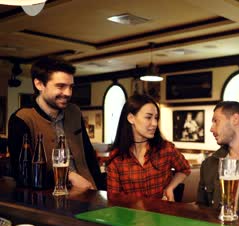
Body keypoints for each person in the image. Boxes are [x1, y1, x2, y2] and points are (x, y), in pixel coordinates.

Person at [8, 57, 103, 190]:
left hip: (89, 192)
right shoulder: (22, 118)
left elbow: (88, 155)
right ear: (39, 84)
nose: (68, 93)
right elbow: (22, 172)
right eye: (60, 86)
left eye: (70, 87)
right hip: (48, 198)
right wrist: (68, 176)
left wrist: (100, 189)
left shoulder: (74, 111)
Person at [106, 94, 190, 200]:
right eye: (148, 117)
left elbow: (185, 169)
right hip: (132, 215)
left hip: (162, 214)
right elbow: (114, 201)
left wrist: (170, 188)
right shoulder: (116, 159)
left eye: (156, 118)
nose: (154, 123)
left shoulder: (165, 149)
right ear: (131, 118)